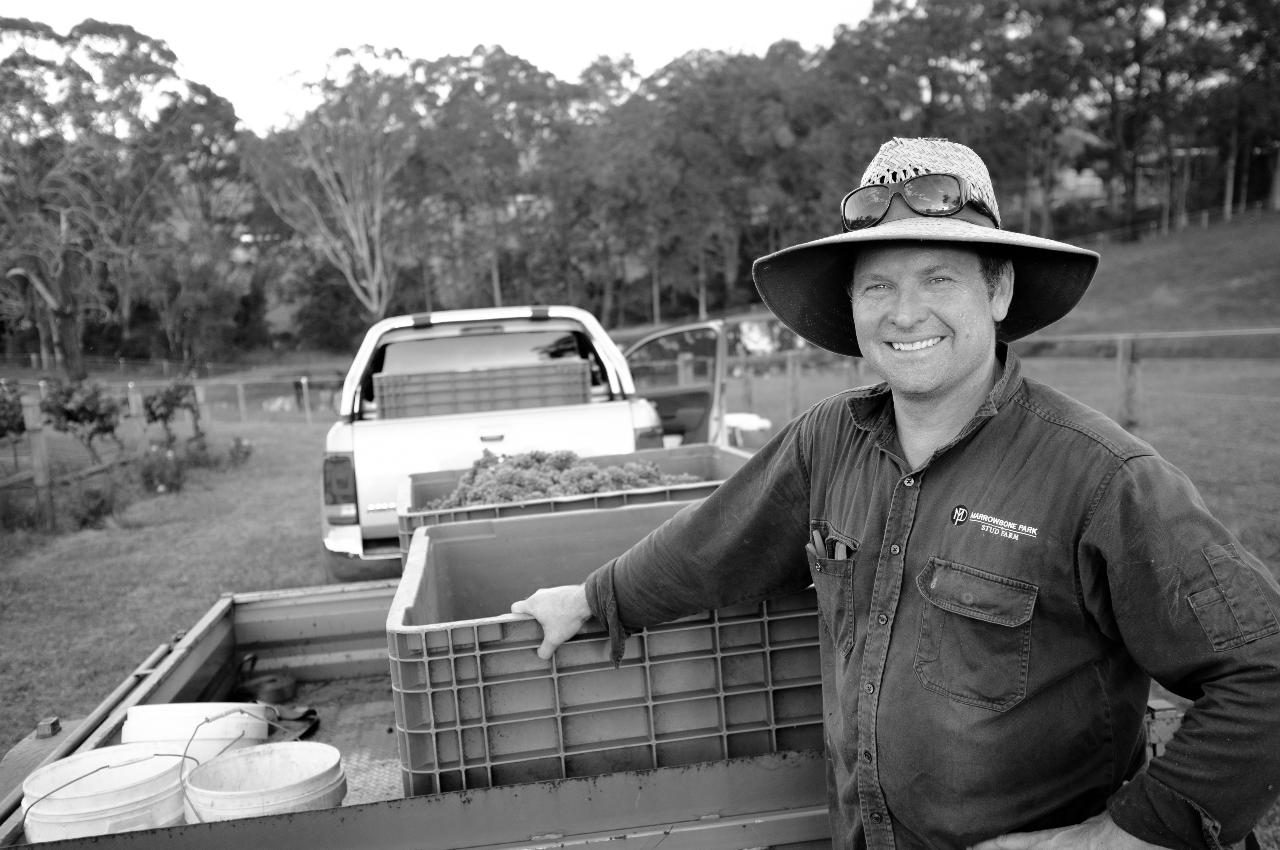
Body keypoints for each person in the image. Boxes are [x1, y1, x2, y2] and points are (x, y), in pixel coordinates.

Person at [511, 137, 1280, 850]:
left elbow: (1263, 671)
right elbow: (710, 542)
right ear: (851, 304)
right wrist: (593, 597)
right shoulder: (827, 440)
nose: (904, 313)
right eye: (877, 285)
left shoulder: (1103, 477)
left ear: (1000, 290)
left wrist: (1120, 839)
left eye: (938, 279)